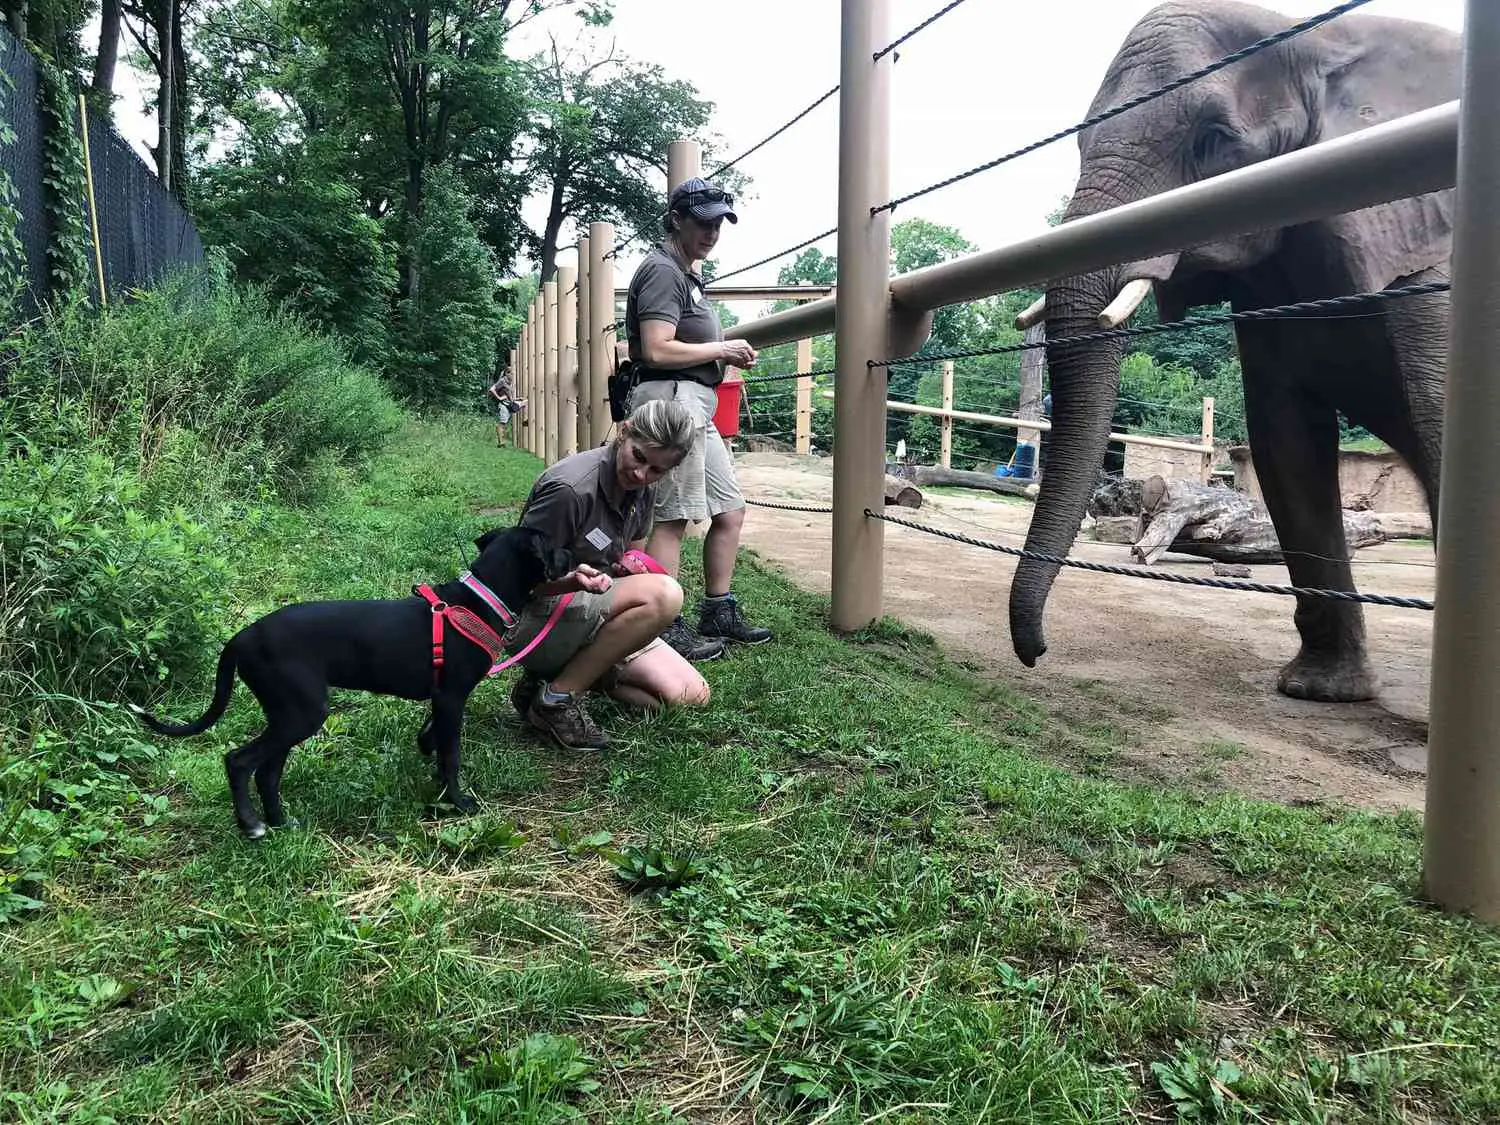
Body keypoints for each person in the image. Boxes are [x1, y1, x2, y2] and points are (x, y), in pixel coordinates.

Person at [504, 398, 712, 752]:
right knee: (665, 594)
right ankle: (556, 699)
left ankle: (559, 679)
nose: (642, 475)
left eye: (657, 470)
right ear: (624, 431)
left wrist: (628, 567)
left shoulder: (642, 489)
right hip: (537, 618)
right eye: (639, 457)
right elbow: (516, 580)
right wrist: (573, 579)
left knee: (692, 696)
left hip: (596, 612)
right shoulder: (570, 490)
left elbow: (630, 555)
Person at [624, 176, 773, 663]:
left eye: (719, 223)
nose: (712, 232)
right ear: (677, 220)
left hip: (697, 402)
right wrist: (722, 348)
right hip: (673, 401)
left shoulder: (687, 273)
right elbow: (656, 348)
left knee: (729, 509)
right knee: (672, 517)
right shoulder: (663, 271)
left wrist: (720, 357)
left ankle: (718, 609)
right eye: (703, 222)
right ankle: (664, 623)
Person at [488, 373, 527, 446]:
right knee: (502, 423)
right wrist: (499, 398)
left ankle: (526, 421)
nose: (513, 375)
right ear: (506, 374)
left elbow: (508, 395)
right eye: (511, 374)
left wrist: (517, 398)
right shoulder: (502, 381)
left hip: (510, 404)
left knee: (526, 402)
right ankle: (501, 442)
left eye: (513, 374)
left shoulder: (509, 383)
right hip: (504, 405)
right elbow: (492, 389)